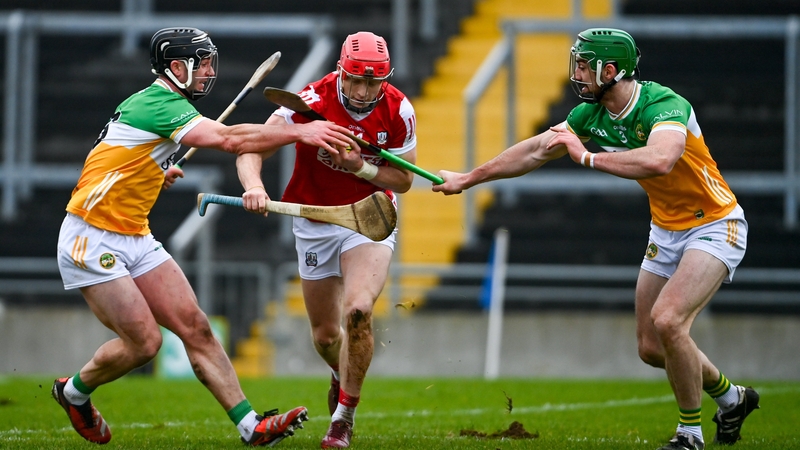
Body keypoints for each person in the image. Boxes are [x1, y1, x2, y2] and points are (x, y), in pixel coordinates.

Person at [432, 28, 759, 450]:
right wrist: (468, 178)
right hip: (667, 228)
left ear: (611, 69)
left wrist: (586, 156)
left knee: (669, 321)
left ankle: (689, 434)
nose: (577, 73)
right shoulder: (591, 114)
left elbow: (661, 160)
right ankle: (732, 398)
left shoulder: (664, 104)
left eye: (584, 65)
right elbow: (534, 151)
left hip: (715, 223)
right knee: (650, 345)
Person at [53, 27, 357, 446]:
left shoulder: (161, 105)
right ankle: (72, 394)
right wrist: (300, 132)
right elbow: (229, 139)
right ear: (177, 67)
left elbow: (114, 160)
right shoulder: (159, 103)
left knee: (196, 327)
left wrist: (153, 173)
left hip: (134, 234)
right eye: (204, 64)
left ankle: (251, 426)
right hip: (91, 237)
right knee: (144, 343)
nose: (209, 72)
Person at [236, 31, 416, 449]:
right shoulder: (310, 102)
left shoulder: (398, 109)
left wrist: (361, 168)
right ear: (340, 72)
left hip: (368, 216)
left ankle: (343, 419)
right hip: (314, 220)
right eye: (355, 80)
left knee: (358, 311)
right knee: (325, 337)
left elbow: (404, 180)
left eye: (373, 83)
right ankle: (340, 373)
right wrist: (254, 186)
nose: (363, 91)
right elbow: (250, 147)